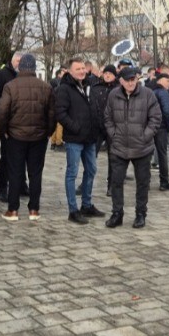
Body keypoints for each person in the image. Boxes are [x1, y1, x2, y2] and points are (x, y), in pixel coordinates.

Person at [0, 54, 54, 222]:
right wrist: (49, 132)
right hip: (39, 136)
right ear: (34, 68)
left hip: (16, 136)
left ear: (20, 67)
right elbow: (52, 113)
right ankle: (34, 209)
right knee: (35, 173)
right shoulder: (45, 87)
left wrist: (3, 130)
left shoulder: (10, 86)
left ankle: (13, 210)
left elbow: (2, 111)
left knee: (15, 172)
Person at [104, 67, 161, 229]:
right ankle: (117, 213)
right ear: (120, 81)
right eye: (127, 80)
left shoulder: (148, 94)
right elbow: (107, 117)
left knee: (142, 183)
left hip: (142, 147)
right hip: (119, 146)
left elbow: (155, 118)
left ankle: (140, 214)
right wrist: (114, 134)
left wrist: (145, 136)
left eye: (133, 79)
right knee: (116, 182)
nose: (131, 83)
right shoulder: (113, 95)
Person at [57, 57, 106, 224]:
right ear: (70, 71)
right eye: (77, 69)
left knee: (91, 170)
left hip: (90, 137)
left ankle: (86, 205)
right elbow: (61, 113)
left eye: (83, 68)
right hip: (74, 138)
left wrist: (98, 126)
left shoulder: (88, 85)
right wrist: (75, 127)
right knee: (72, 173)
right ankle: (73, 210)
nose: (82, 71)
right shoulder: (64, 89)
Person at [0, 53, 22, 202]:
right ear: (12, 61)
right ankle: (2, 188)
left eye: (21, 61)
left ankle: (21, 185)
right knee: (6, 155)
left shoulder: (24, 76)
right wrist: (5, 106)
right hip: (7, 120)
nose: (19, 64)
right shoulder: (2, 74)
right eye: (18, 61)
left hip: (22, 120)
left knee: (22, 156)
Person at [91, 65, 120, 196]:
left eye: (110, 73)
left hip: (113, 127)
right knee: (91, 156)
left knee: (113, 158)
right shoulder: (96, 88)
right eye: (105, 73)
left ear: (114, 75)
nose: (107, 75)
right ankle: (86, 183)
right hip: (97, 127)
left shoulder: (118, 89)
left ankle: (112, 186)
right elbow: (92, 106)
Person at [152, 73, 169, 191]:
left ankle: (145, 181)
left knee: (147, 154)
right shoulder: (163, 93)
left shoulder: (151, 92)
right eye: (168, 81)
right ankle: (164, 181)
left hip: (150, 126)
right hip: (161, 127)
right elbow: (167, 111)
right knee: (162, 154)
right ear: (160, 81)